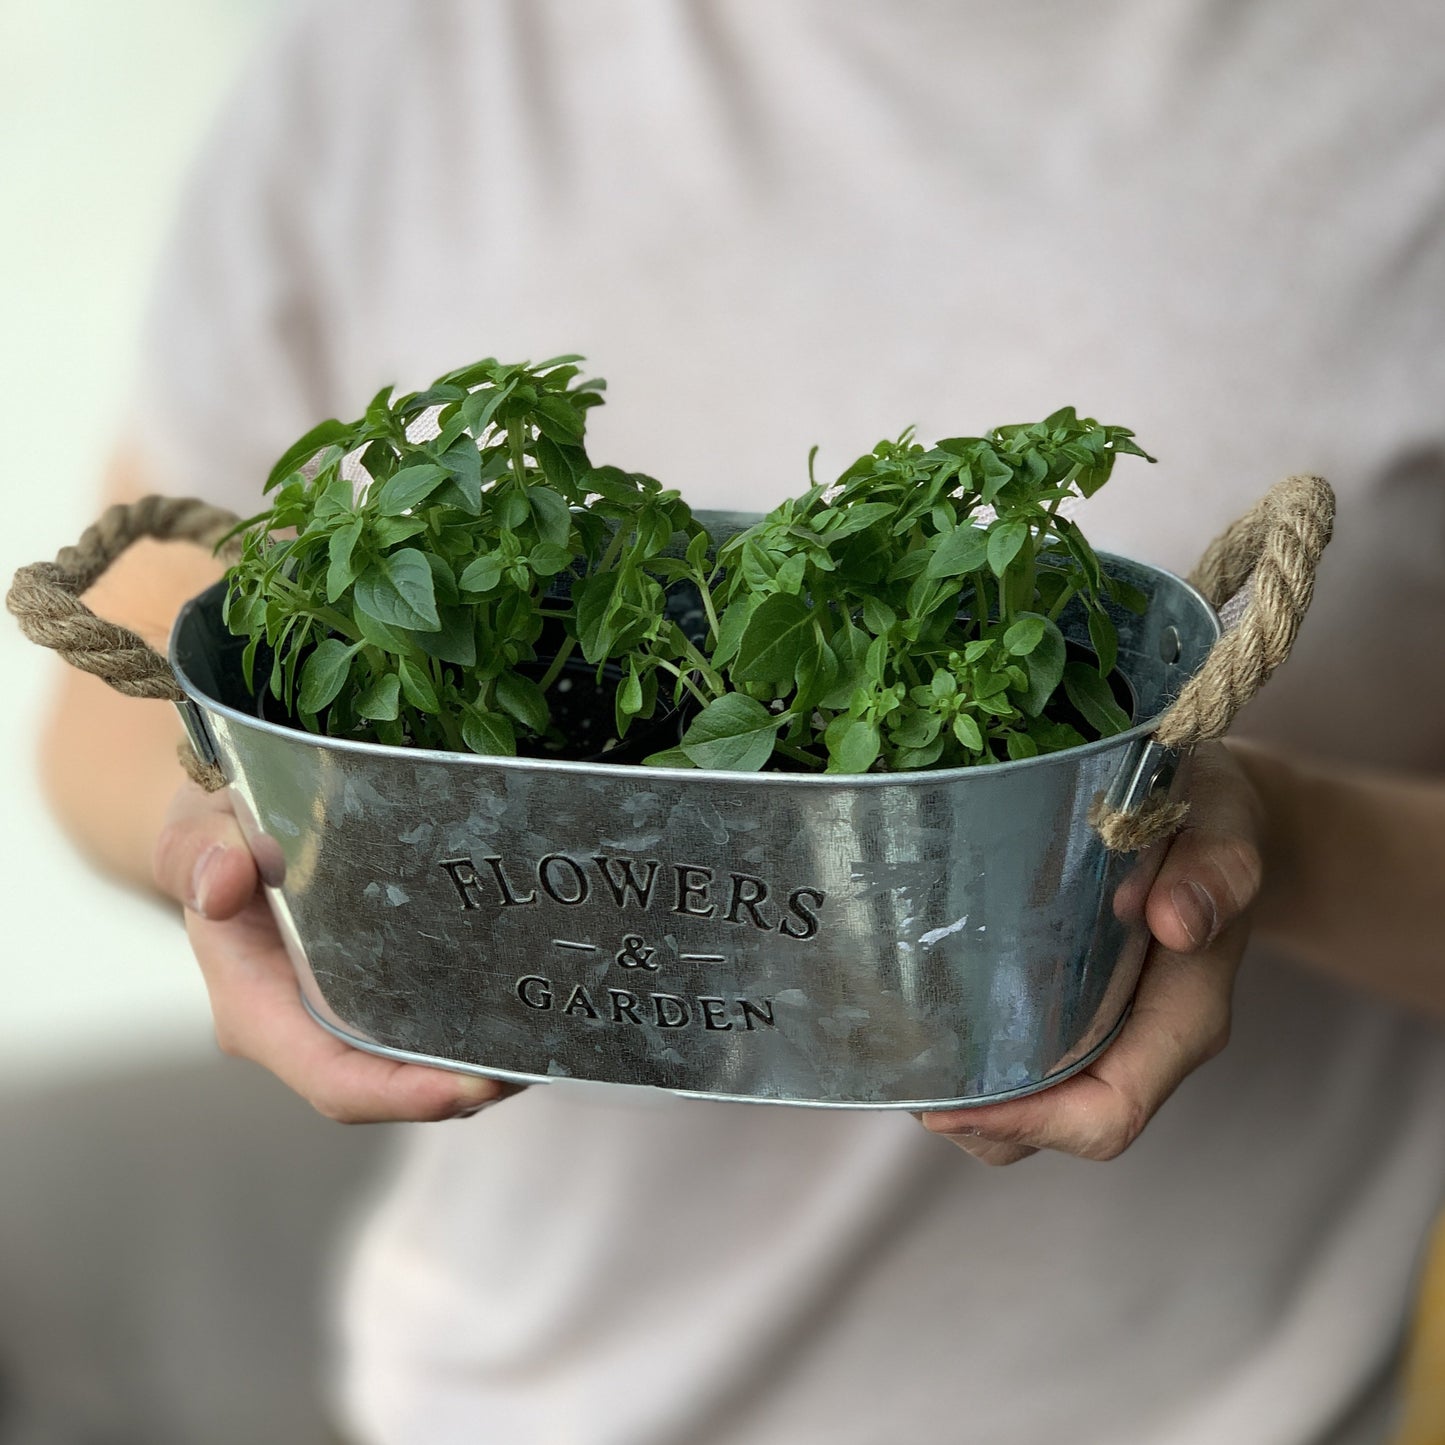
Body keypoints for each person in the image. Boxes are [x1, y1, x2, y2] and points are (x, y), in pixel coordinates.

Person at [40, 3, 1445, 1442]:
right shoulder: (395, 52)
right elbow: (114, 706)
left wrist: (1261, 843)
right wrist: (242, 827)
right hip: (505, 1395)